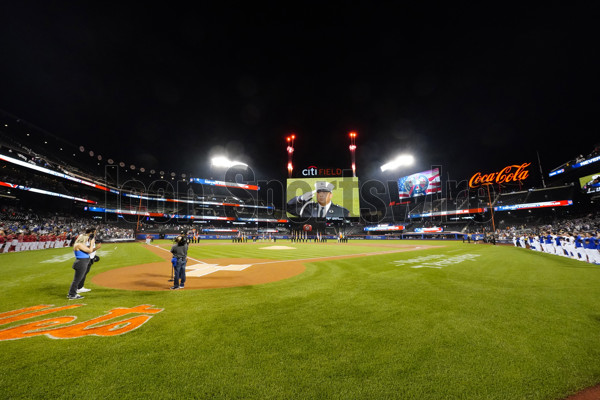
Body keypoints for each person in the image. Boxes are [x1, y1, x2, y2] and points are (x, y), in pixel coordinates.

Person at [67, 232, 96, 300]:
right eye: (86, 239)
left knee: (77, 279)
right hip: (81, 263)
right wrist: (92, 243)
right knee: (77, 280)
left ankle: (72, 293)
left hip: (82, 262)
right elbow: (90, 250)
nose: (87, 240)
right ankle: (72, 294)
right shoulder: (79, 245)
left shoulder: (80, 245)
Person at [77, 227, 101, 294]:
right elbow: (86, 249)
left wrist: (94, 256)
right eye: (95, 231)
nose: (96, 232)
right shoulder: (87, 238)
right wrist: (96, 248)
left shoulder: (85, 237)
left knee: (84, 273)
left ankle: (80, 287)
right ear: (92, 231)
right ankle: (79, 287)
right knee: (83, 273)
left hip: (88, 257)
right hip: (86, 258)